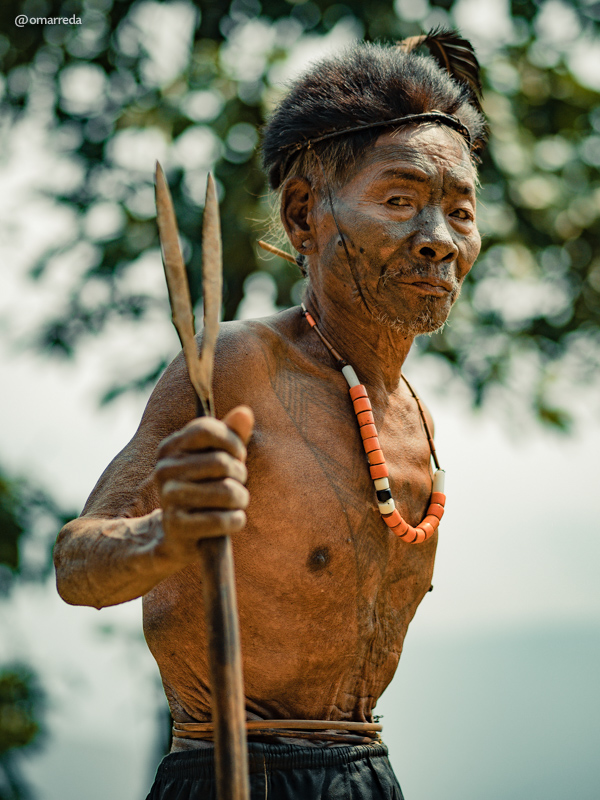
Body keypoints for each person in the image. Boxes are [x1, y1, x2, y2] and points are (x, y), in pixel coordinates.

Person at [54, 32, 487, 799]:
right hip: (230, 773)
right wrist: (167, 531)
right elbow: (77, 565)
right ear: (303, 215)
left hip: (368, 774)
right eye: (401, 201)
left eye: (460, 211)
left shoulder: (411, 413)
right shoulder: (237, 364)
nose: (439, 242)